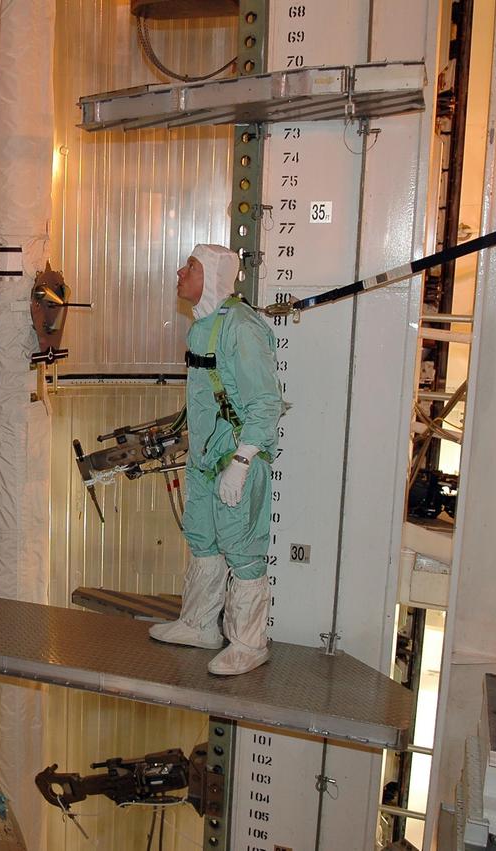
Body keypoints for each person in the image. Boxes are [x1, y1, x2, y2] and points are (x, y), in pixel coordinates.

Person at [149, 244, 284, 676]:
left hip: (236, 458)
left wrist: (243, 461)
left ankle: (248, 642)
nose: (179, 271)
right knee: (203, 538)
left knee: (241, 550)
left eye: (189, 266)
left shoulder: (240, 328)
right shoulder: (204, 326)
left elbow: (265, 402)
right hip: (207, 458)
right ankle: (200, 624)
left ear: (211, 275)